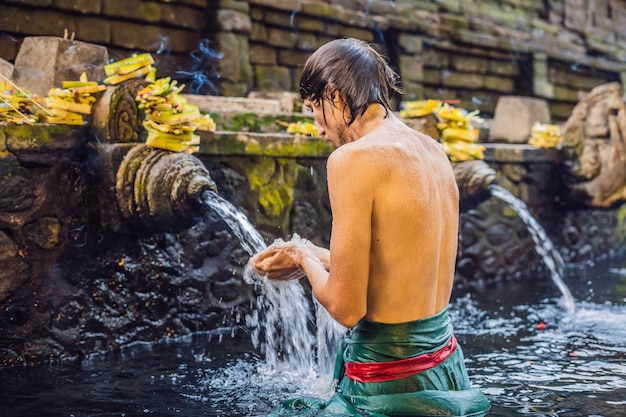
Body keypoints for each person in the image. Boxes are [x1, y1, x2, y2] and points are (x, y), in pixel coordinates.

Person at [250, 38, 490, 417]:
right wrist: (319, 254)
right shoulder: (433, 151)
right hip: (446, 370)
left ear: (335, 96)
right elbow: (398, 264)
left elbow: (346, 309)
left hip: (387, 384)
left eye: (315, 109)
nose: (318, 128)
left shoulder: (353, 159)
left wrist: (300, 256)